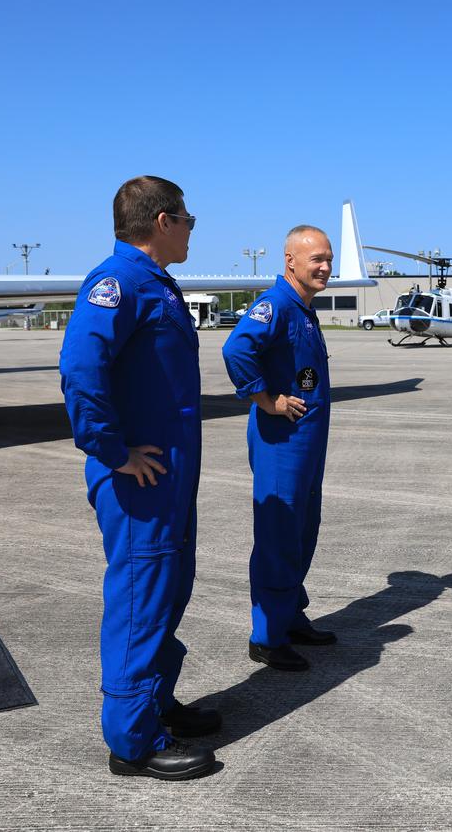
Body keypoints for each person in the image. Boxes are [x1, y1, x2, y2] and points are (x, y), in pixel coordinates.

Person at [59, 176, 219, 781]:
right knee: (140, 600)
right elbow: (80, 368)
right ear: (161, 221)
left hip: (170, 479)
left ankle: (155, 702)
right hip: (140, 484)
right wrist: (112, 450)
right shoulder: (117, 283)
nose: (191, 228)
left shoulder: (154, 282)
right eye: (188, 219)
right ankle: (133, 741)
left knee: (168, 591)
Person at [222, 225, 337, 673]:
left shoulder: (302, 308)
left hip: (307, 440)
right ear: (291, 261)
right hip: (282, 442)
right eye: (317, 260)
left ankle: (290, 614)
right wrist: (266, 399)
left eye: (328, 258)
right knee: (278, 533)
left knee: (303, 528)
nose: (326, 266)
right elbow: (237, 350)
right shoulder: (276, 305)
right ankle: (267, 637)